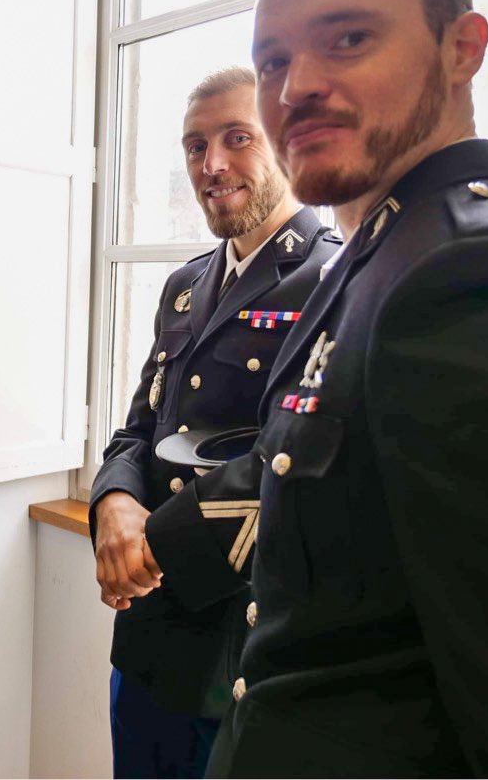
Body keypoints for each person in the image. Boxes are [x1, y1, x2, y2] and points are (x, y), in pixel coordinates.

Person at [141, 0, 488, 776]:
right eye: (274, 60)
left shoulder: (480, 274)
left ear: (462, 49)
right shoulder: (378, 256)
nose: (297, 86)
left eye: (348, 39)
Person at [90, 68, 339, 777]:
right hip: (149, 638)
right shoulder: (186, 284)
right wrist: (113, 501)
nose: (212, 164)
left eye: (238, 139)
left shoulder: (333, 279)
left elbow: (296, 464)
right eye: (195, 146)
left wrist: (149, 545)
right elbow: (140, 427)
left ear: (284, 141)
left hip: (243, 642)